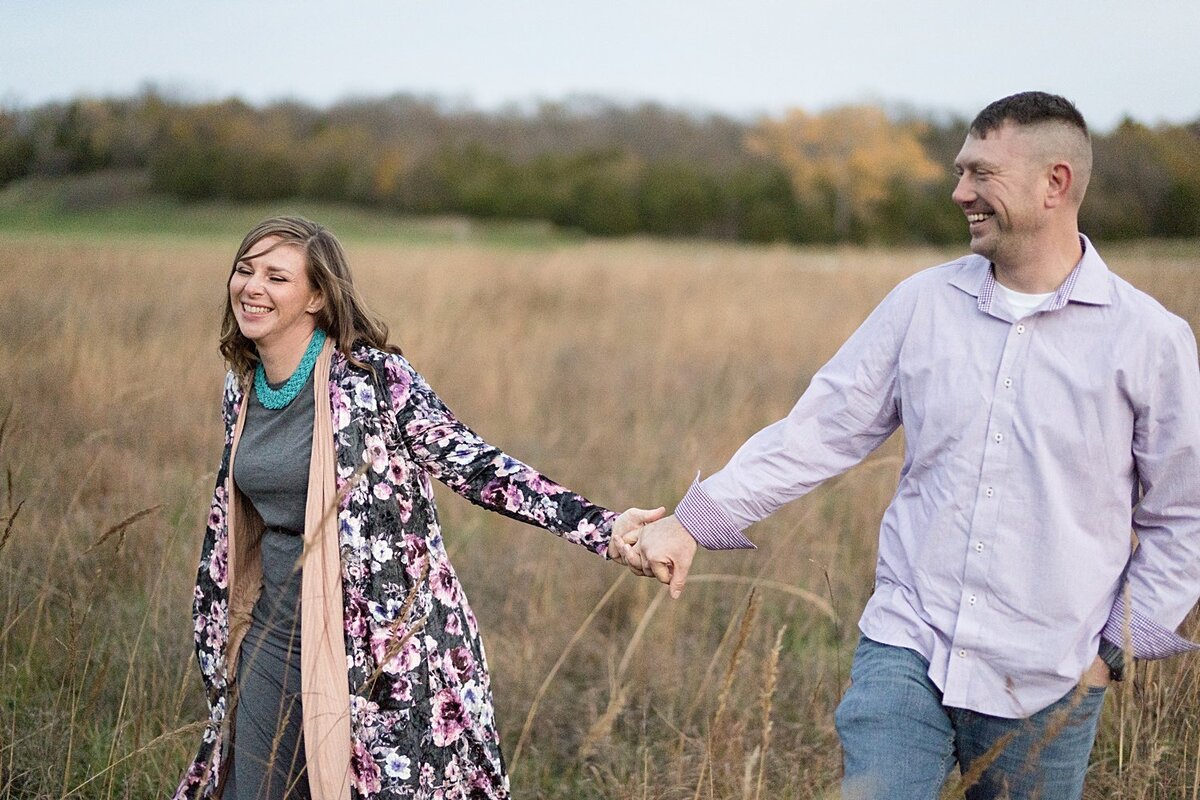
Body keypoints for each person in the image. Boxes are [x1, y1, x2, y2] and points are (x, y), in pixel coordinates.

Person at [618, 91, 1200, 799]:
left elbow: (1183, 519)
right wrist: (691, 523)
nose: (960, 192)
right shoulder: (920, 304)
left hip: (1051, 675)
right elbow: (818, 433)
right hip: (908, 646)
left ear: (1057, 183)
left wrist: (1111, 653)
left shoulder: (1151, 341)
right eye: (961, 172)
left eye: (982, 173)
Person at [173, 216, 661, 800]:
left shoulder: (373, 379)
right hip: (273, 636)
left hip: (378, 648)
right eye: (245, 270)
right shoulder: (244, 385)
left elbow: (477, 466)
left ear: (318, 296)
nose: (252, 287)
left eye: (277, 277)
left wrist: (601, 527)